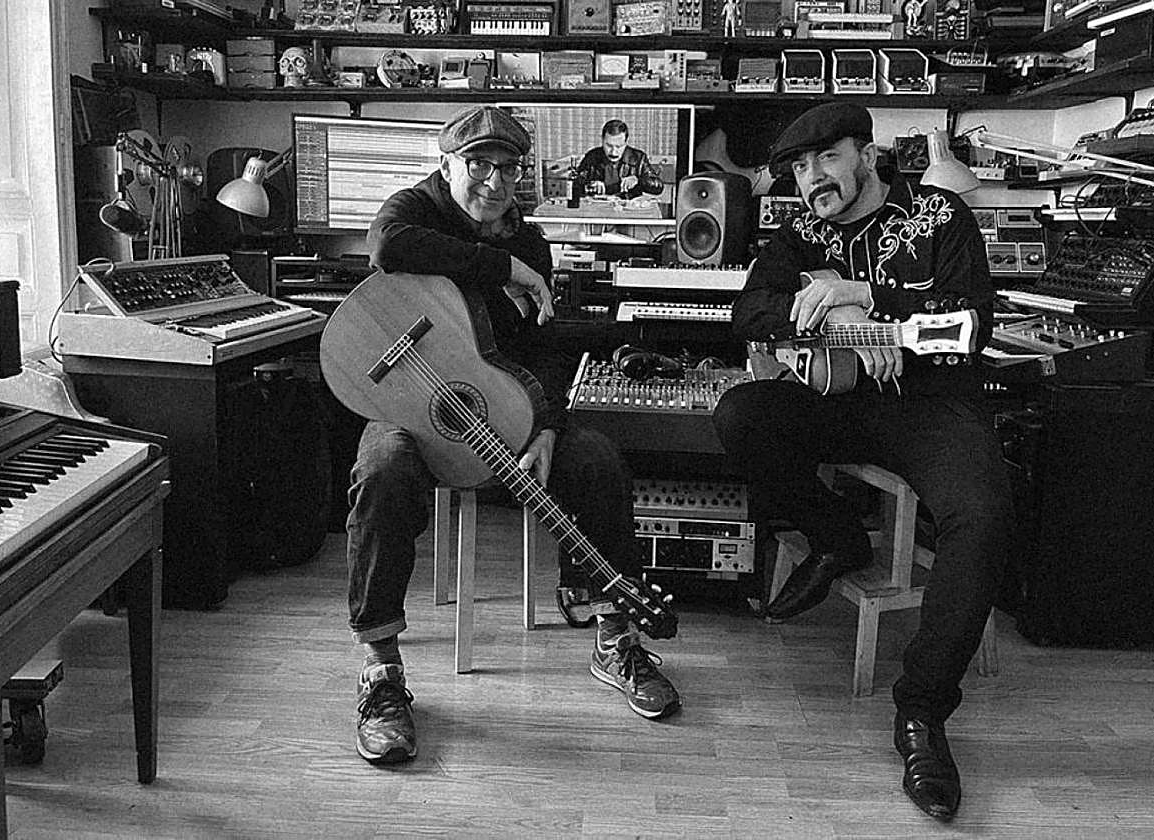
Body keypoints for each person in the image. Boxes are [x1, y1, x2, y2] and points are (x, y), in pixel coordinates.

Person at [349, 105, 681, 765]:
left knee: (599, 460)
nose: (495, 183)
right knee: (382, 467)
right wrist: (500, 269)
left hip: (497, 409)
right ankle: (381, 670)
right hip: (414, 411)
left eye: (508, 168)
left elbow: (548, 350)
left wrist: (551, 426)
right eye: (479, 164)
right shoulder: (415, 209)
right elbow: (387, 247)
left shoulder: (527, 241)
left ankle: (614, 633)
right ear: (446, 164)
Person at [711, 102, 1013, 822]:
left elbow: (969, 325)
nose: (812, 178)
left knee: (986, 514)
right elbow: (749, 312)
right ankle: (836, 535)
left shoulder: (939, 215)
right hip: (842, 400)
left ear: (867, 154)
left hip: (933, 405)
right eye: (800, 168)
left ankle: (922, 713)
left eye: (828, 159)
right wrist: (833, 322)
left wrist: (865, 297)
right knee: (741, 417)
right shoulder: (801, 229)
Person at [576, 119, 665, 200]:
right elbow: (575, 183)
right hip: (598, 207)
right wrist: (590, 185)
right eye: (609, 146)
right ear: (602, 140)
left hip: (628, 209)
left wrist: (638, 180)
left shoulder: (638, 158)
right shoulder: (592, 156)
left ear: (626, 142)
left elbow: (658, 187)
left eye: (619, 146)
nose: (613, 152)